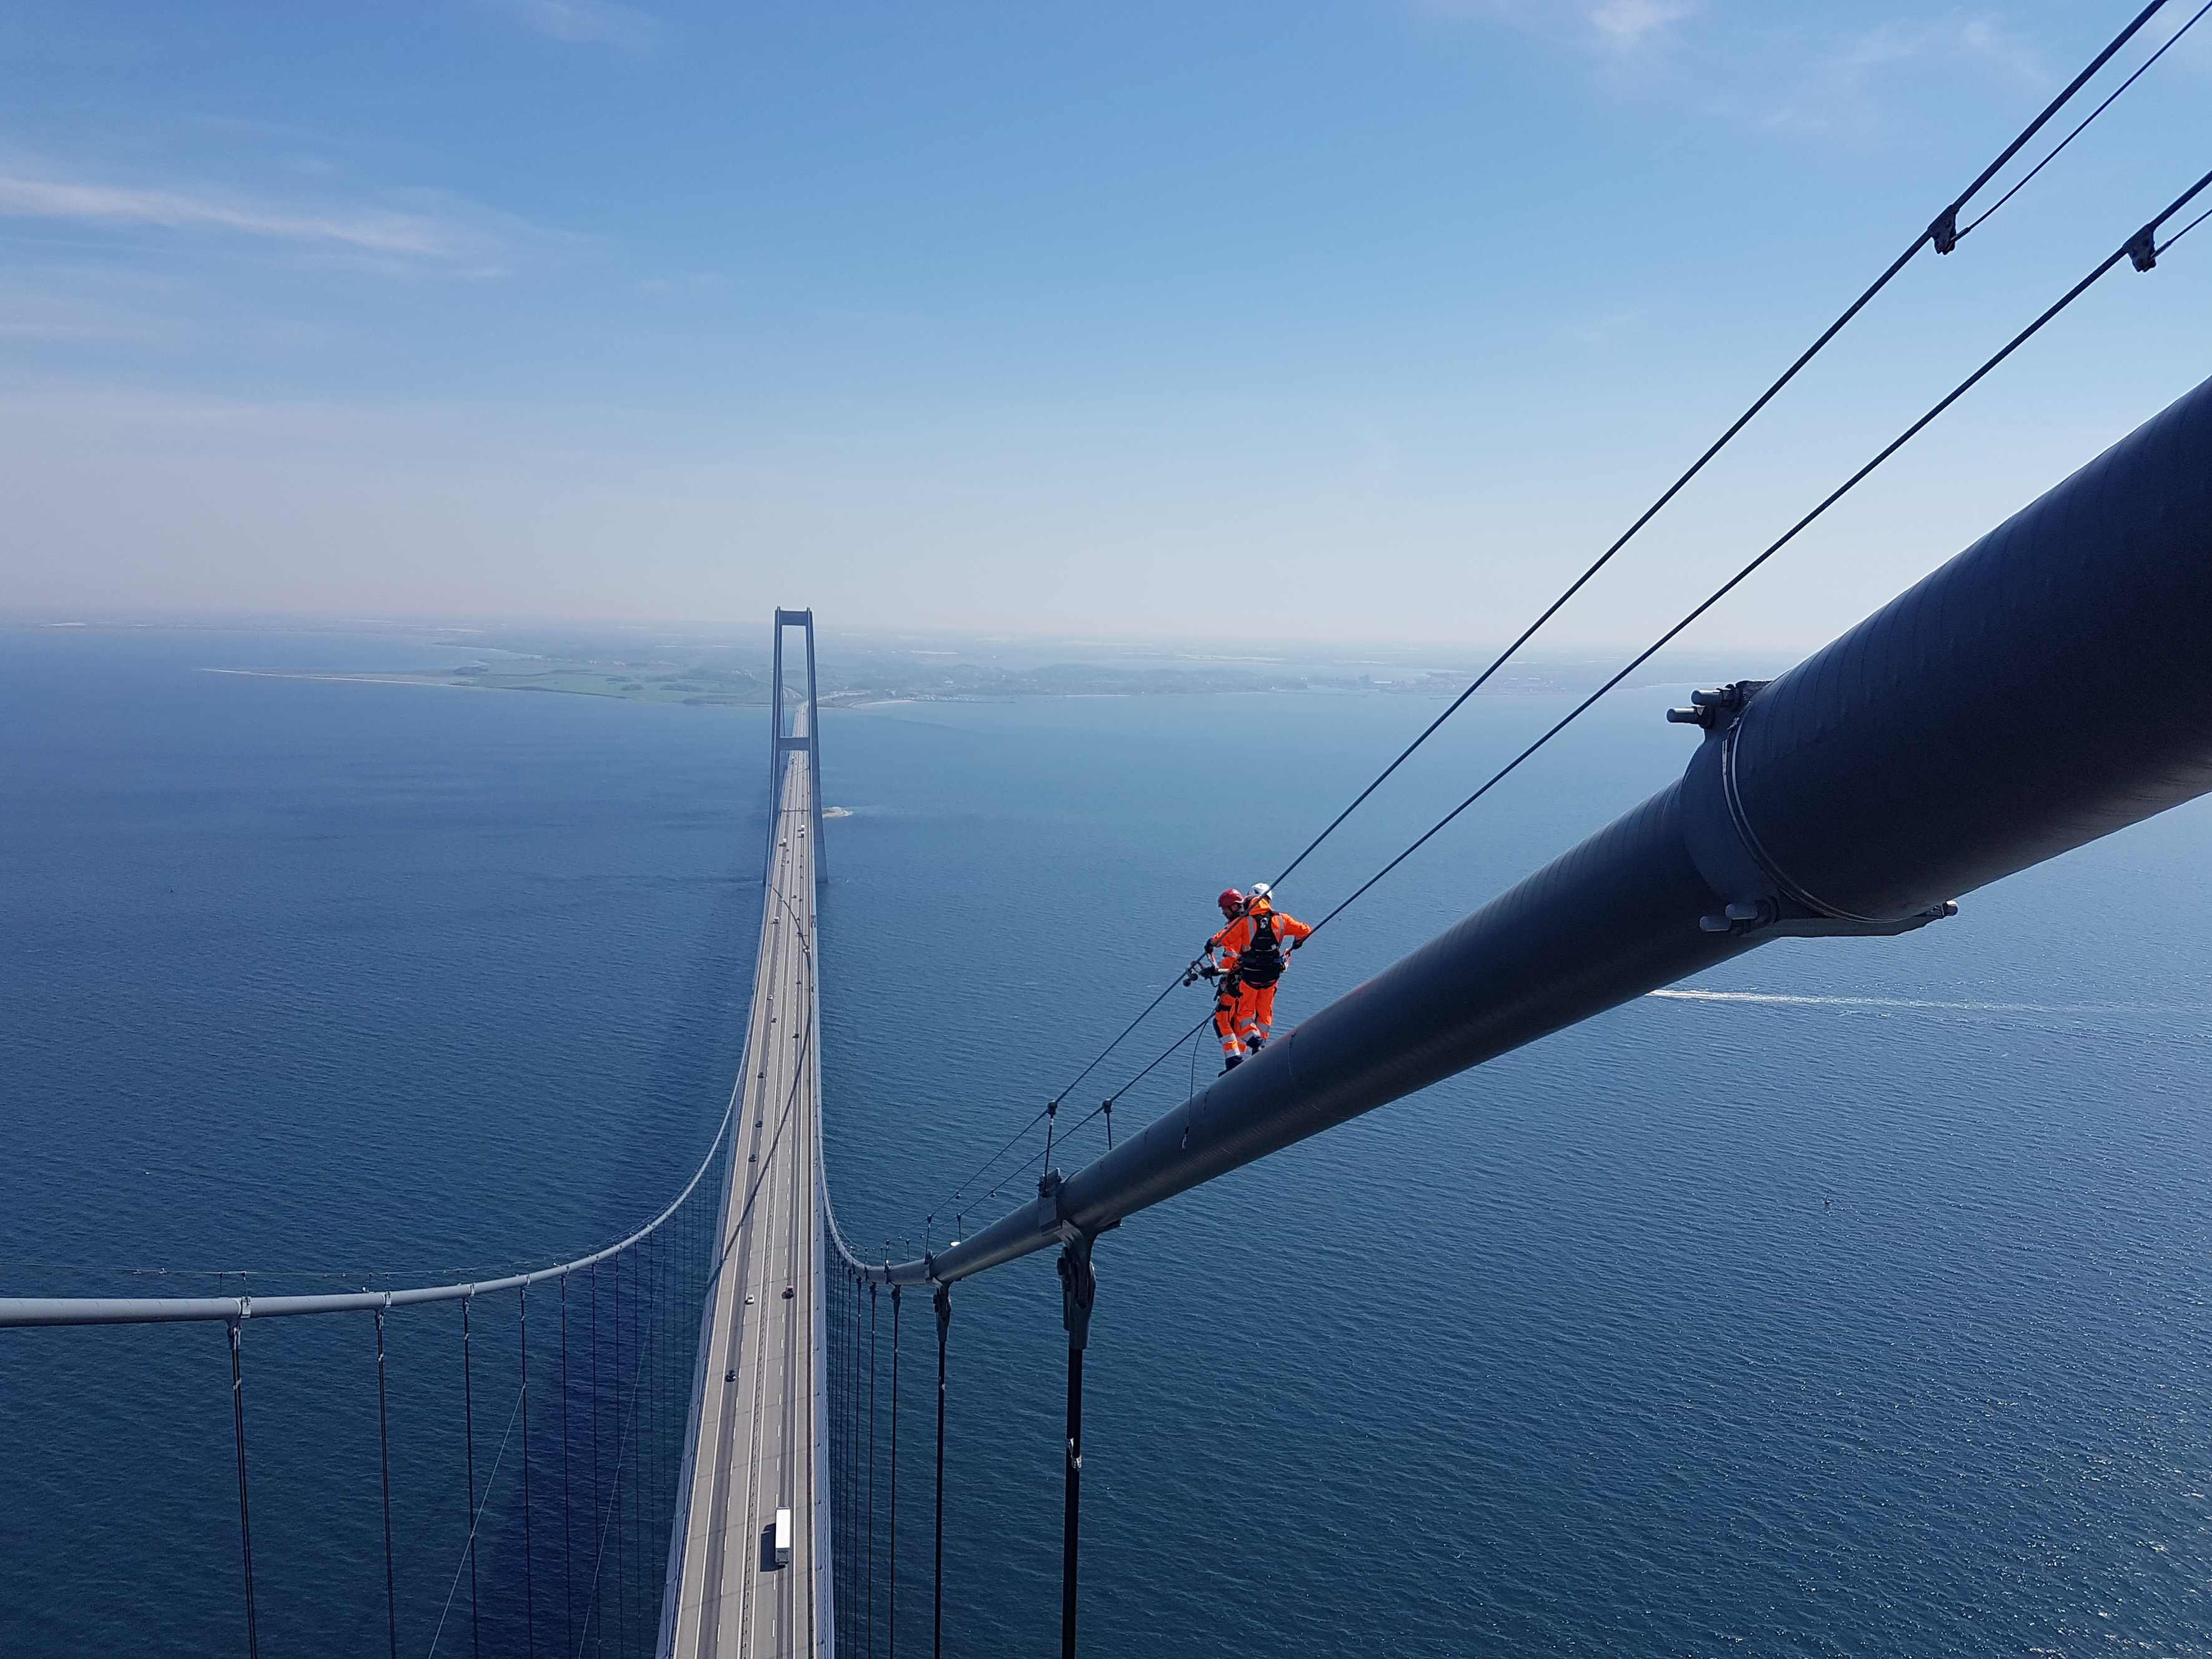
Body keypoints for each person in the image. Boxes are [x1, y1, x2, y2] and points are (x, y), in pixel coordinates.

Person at [1211, 882, 1312, 1063]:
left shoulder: (1243, 922)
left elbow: (1224, 939)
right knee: (1264, 1013)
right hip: (1272, 976)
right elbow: (1305, 930)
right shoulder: (1282, 919)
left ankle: (1253, 1043)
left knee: (1244, 1014)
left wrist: (1211, 943)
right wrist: (1298, 942)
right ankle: (1260, 1048)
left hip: (1251, 975)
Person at [1195, 888, 1249, 1070]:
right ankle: (1242, 1058)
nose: (1223, 912)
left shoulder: (1236, 928)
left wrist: (1216, 970)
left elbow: (1232, 960)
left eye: (1225, 908)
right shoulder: (1251, 925)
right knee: (1238, 1020)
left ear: (1235, 906)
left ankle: (1234, 1060)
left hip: (1235, 983)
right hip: (1249, 982)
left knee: (1221, 1021)